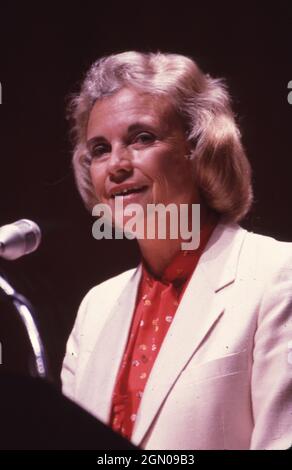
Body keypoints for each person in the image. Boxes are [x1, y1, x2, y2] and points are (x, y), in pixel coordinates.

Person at [61, 51, 292, 450]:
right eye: (99, 149)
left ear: (200, 148)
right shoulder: (95, 308)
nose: (116, 164)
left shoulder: (276, 275)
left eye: (142, 138)